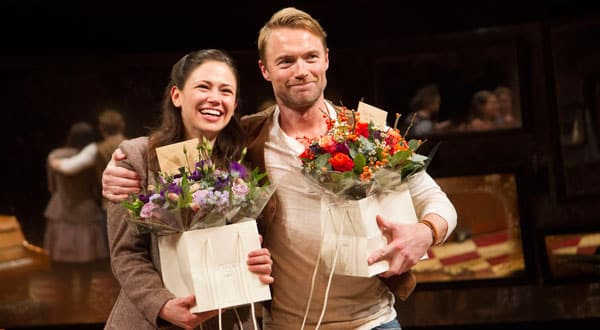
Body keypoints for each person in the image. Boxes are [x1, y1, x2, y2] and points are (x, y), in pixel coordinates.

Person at [102, 8, 457, 330]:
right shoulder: (243, 141)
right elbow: (180, 154)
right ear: (265, 70)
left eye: (310, 57)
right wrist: (117, 172)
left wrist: (426, 232)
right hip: (282, 325)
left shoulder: (371, 131)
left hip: (372, 321)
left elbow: (438, 204)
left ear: (326, 60)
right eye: (286, 61)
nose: (301, 71)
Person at [102, 49, 274, 330]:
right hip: (153, 322)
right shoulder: (136, 158)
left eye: (226, 91)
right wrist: (161, 304)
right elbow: (126, 253)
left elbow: (245, 244)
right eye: (203, 87)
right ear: (177, 96)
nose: (215, 98)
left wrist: (256, 261)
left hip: (225, 320)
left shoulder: (240, 165)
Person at [44, 121, 109, 263]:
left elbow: (52, 186)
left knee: (61, 262)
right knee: (87, 262)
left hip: (60, 208)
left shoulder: (55, 155)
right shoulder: (92, 157)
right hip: (86, 209)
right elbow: (96, 185)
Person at [49, 109, 127, 210]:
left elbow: (69, 168)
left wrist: (53, 161)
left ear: (101, 128)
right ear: (122, 125)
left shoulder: (95, 149)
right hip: (135, 202)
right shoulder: (134, 144)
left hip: (111, 203)